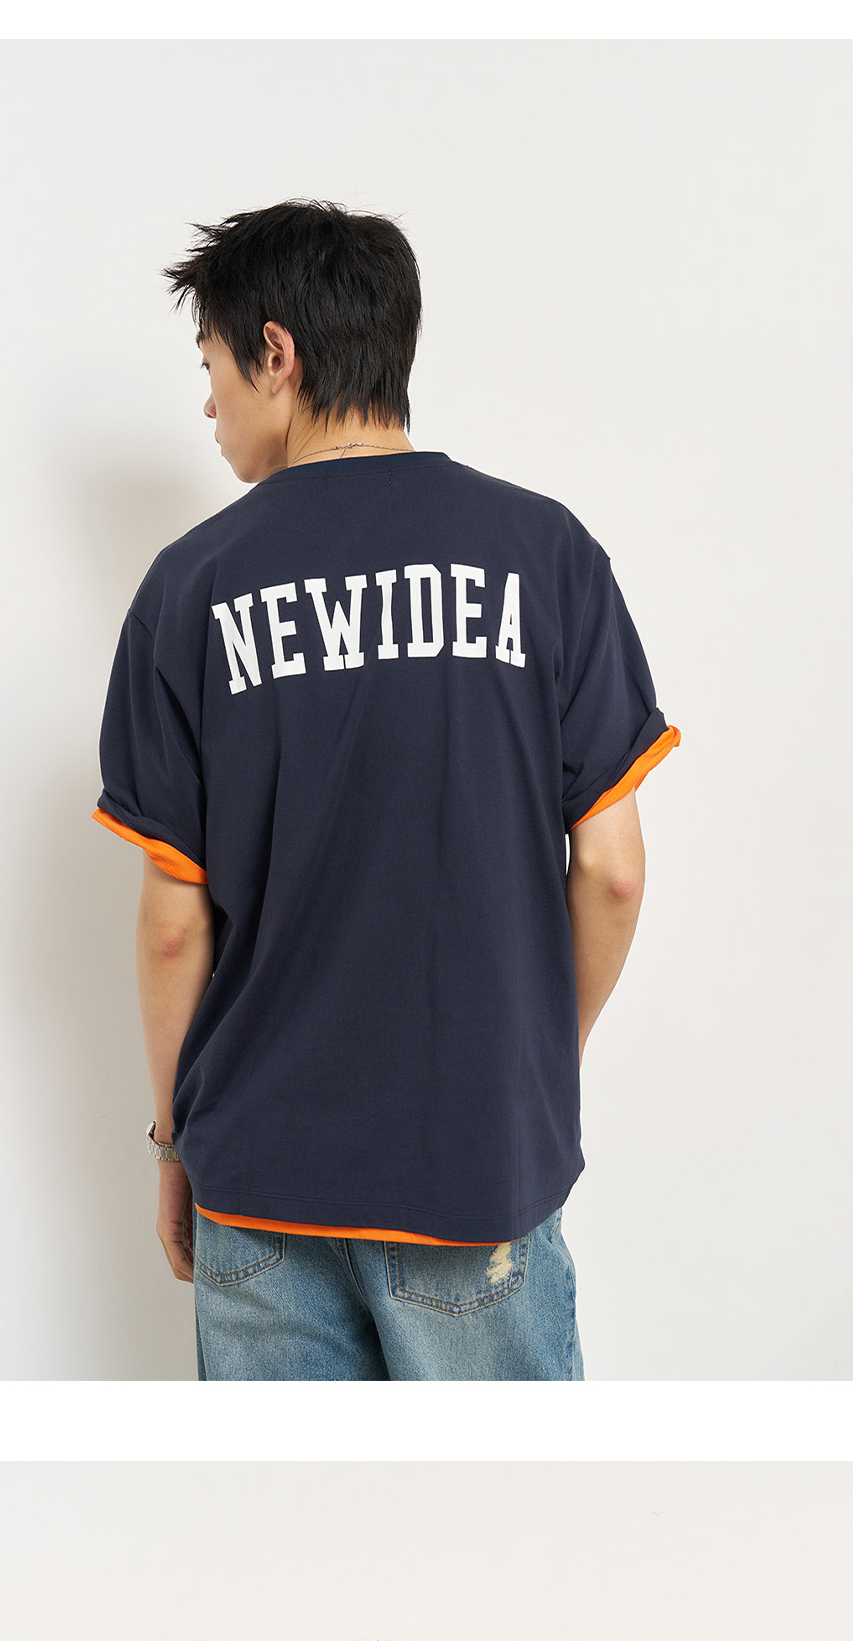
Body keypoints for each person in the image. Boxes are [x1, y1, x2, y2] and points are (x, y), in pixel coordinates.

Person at [95, 197, 679, 1383]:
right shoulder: (546, 553)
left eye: (211, 369)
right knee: (505, 1501)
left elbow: (171, 928)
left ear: (276, 353)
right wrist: (527, 1067)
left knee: (292, 1506)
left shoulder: (189, 588)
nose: (208, 407)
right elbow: (614, 873)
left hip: (258, 1177)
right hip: (472, 1163)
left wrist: (172, 1144)